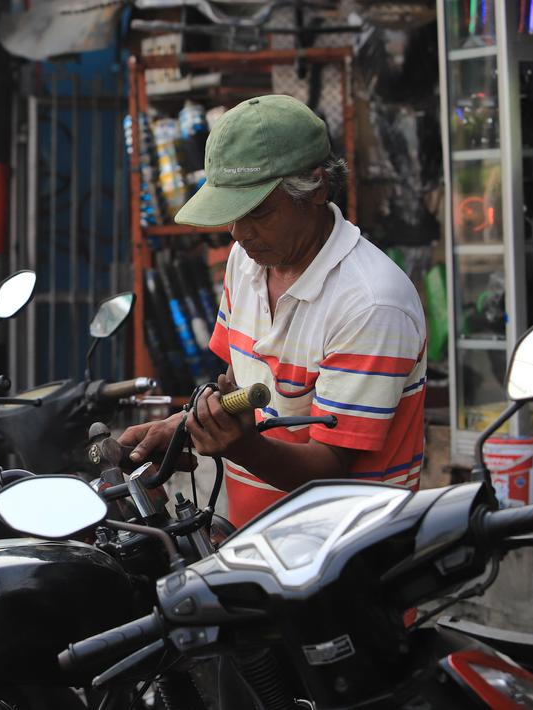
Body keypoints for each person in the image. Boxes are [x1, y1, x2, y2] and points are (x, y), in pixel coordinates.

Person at [120, 95, 427, 528]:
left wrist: (243, 448)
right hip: (258, 540)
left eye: (258, 212)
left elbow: (332, 468)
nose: (238, 232)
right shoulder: (246, 261)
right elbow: (241, 391)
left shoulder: (371, 303)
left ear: (317, 188)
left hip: (351, 550)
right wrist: (187, 426)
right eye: (231, 214)